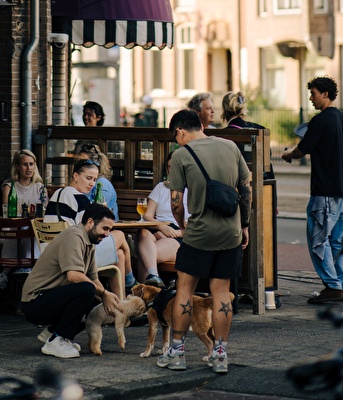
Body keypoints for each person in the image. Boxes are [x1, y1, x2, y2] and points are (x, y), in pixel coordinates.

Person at [158, 109, 251, 373]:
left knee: (184, 290)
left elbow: (176, 202)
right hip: (230, 233)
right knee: (221, 294)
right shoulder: (230, 146)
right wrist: (243, 224)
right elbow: (246, 188)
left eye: (176, 137)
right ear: (201, 125)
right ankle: (220, 355)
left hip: (198, 235)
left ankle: (176, 353)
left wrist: (183, 226)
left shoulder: (181, 155)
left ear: (179, 132)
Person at [21, 203, 121, 359]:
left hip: (51, 297)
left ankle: (53, 332)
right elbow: (73, 276)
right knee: (87, 290)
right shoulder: (74, 236)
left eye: (109, 230)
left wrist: (108, 301)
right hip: (35, 301)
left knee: (96, 304)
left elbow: (93, 277)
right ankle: (57, 340)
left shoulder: (90, 242)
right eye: (105, 228)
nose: (107, 234)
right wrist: (104, 293)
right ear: (90, 223)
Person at [282, 76, 343, 303]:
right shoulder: (341, 118)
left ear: (325, 94)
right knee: (338, 241)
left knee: (318, 239)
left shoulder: (320, 121)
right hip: (341, 192)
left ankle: (332, 285)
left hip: (324, 192)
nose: (311, 98)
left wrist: (288, 154)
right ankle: (340, 283)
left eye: (314, 93)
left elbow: (302, 149)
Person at [44, 159, 137, 295]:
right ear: (76, 176)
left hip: (51, 254)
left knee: (119, 254)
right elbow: (89, 232)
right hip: (72, 259)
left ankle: (120, 303)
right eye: (88, 178)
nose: (92, 184)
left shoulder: (57, 194)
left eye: (94, 180)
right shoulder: (79, 198)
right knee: (120, 236)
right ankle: (130, 283)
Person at [136, 151, 190, 287]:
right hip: (158, 228)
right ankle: (154, 277)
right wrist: (160, 227)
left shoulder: (192, 189)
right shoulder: (161, 187)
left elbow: (198, 222)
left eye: (176, 166)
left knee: (144, 255)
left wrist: (175, 233)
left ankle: (147, 297)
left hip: (179, 234)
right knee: (142, 233)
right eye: (170, 166)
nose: (172, 170)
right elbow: (148, 215)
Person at [0, 149, 47, 288]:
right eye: (25, 164)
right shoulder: (9, 186)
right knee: (24, 231)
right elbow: (9, 213)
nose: (29, 168)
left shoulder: (40, 187)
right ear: (18, 166)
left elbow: (44, 210)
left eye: (31, 164)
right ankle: (28, 268)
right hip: (11, 229)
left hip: (33, 230)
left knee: (29, 231)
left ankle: (6, 272)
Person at [78, 144, 118, 220]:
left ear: (94, 163)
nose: (79, 164)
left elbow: (101, 210)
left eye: (83, 161)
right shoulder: (81, 182)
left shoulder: (102, 183)